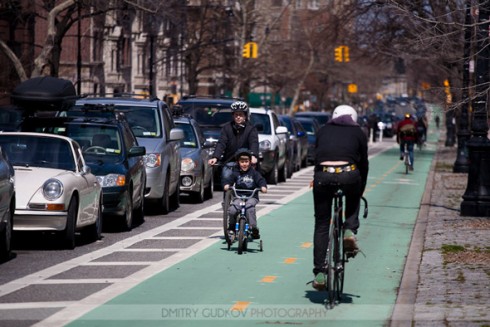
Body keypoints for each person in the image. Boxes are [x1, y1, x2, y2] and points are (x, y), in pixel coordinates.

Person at [311, 105, 369, 290]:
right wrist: (361, 189)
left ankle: (320, 273)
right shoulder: (358, 132)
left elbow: (315, 157)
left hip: (323, 175)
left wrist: (318, 176)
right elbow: (363, 163)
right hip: (348, 174)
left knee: (321, 224)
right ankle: (349, 230)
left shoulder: (323, 130)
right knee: (353, 200)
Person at [208, 101, 259, 184]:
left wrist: (253, 155)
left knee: (249, 182)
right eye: (236, 115)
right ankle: (227, 195)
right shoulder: (227, 128)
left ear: (245, 116)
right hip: (230, 162)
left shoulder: (251, 129)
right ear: (233, 116)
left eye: (241, 115)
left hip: (245, 162)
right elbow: (221, 143)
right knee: (226, 177)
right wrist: (215, 157)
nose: (238, 117)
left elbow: (254, 143)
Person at [223, 148, 267, 241]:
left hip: (251, 196)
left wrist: (263, 187)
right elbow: (229, 179)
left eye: (246, 161)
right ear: (238, 162)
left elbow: (261, 180)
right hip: (239, 196)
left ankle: (253, 228)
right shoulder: (236, 173)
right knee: (232, 210)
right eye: (242, 162)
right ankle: (231, 228)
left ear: (250, 162)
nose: (244, 164)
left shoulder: (254, 173)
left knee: (249, 208)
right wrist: (227, 185)